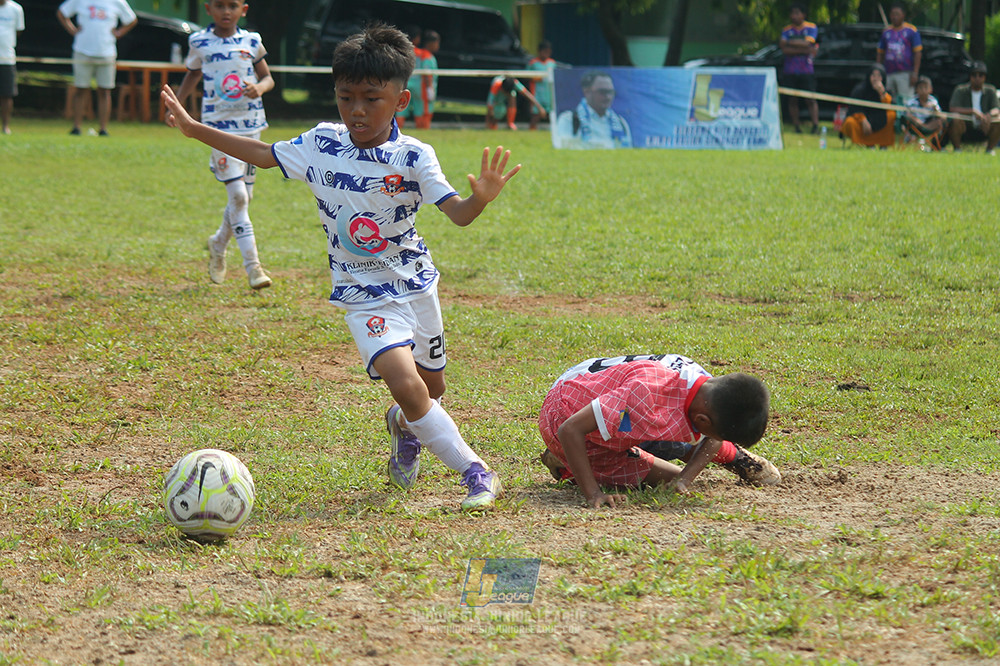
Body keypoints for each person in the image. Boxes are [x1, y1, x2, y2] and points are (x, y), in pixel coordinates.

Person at [161, 24, 521, 510]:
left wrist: (478, 201)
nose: (356, 110)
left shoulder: (415, 155)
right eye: (346, 96)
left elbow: (456, 214)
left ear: (401, 100)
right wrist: (193, 129)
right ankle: (477, 473)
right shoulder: (321, 143)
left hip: (415, 284)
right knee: (409, 384)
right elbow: (264, 156)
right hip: (360, 292)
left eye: (371, 98)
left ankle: (402, 425)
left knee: (431, 389)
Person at [537, 354, 778, 509]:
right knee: (662, 455)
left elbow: (710, 437)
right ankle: (566, 461)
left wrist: (685, 479)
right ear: (703, 419)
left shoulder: (707, 387)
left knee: (673, 476)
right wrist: (593, 493)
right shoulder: (647, 396)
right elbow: (570, 429)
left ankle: (731, 455)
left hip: (611, 405)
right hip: (564, 415)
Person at [169, 0, 274, 290]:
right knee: (239, 197)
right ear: (208, 9)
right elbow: (193, 74)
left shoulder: (252, 41)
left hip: (251, 129)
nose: (226, 12)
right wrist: (176, 107)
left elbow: (267, 78)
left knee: (244, 199)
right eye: (219, 5)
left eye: (232, 6)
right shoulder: (199, 42)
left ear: (244, 9)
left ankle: (218, 243)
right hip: (217, 130)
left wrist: (259, 87)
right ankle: (254, 268)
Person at [57, 0, 137, 136]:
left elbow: (131, 19)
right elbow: (62, 13)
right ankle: (76, 127)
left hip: (106, 51)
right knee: (81, 88)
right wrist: (73, 30)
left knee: (104, 90)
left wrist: (119, 33)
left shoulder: (117, 1)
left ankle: (103, 128)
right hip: (82, 50)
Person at [554, 71, 632, 149]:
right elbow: (564, 150)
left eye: (610, 92)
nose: (608, 97)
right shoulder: (569, 119)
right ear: (587, 92)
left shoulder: (621, 123)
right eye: (602, 92)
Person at [779, 4, 819, 134]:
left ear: (803, 14)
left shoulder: (811, 27)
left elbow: (809, 44)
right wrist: (804, 49)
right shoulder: (786, 29)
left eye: (797, 13)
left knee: (810, 98)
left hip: (806, 69)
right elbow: (784, 49)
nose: (794, 16)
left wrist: (791, 42)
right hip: (790, 70)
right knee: (792, 99)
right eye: (792, 13)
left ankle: (815, 126)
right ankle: (796, 126)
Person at [947, 61, 1000, 154]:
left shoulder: (991, 90)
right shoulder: (960, 90)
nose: (977, 78)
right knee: (955, 119)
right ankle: (957, 149)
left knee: (998, 120)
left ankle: (990, 150)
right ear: (970, 76)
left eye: (980, 75)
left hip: (985, 127)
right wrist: (972, 111)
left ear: (985, 77)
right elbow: (953, 108)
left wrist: (988, 116)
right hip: (966, 127)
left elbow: (997, 109)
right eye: (974, 75)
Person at [840, 63, 896, 148]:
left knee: (891, 115)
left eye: (879, 76)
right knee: (850, 122)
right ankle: (863, 143)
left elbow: (891, 106)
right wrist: (863, 120)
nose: (876, 79)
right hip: (862, 120)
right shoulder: (860, 90)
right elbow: (854, 108)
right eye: (873, 76)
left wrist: (882, 93)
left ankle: (883, 145)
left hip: (879, 119)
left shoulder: (887, 91)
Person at [876, 2, 922, 104]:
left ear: (903, 15)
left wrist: (915, 73)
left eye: (897, 14)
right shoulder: (886, 32)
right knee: (887, 100)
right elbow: (880, 53)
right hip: (888, 73)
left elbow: (918, 53)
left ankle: (906, 120)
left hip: (905, 74)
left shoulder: (911, 31)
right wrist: (878, 71)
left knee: (906, 101)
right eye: (892, 14)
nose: (894, 17)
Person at [395, 25, 427, 130]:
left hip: (405, 83)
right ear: (417, 38)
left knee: (400, 109)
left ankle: (399, 129)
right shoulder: (422, 53)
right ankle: (421, 129)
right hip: (418, 84)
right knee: (419, 107)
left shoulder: (401, 52)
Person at [0, 0, 24, 135]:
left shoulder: (16, 9)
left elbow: (18, 31)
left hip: (7, 58)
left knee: (7, 95)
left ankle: (5, 126)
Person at [902, 75, 942, 145]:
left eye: (925, 87)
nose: (923, 90)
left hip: (929, 124)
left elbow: (939, 115)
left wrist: (934, 108)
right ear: (916, 89)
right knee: (908, 118)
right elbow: (906, 114)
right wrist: (918, 122)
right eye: (920, 87)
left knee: (940, 121)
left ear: (931, 89)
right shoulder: (912, 101)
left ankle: (934, 143)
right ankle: (914, 138)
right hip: (916, 125)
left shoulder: (933, 101)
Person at [527, 40, 556, 131]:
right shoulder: (533, 63)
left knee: (551, 115)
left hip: (549, 94)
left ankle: (552, 133)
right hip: (537, 94)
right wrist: (538, 78)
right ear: (539, 51)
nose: (546, 54)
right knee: (536, 115)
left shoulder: (552, 63)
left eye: (548, 52)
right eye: (544, 51)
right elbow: (527, 76)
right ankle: (532, 131)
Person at [414, 30, 439, 129]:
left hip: (420, 86)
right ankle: (423, 128)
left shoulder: (424, 55)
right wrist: (429, 88)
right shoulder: (427, 56)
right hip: (423, 87)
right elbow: (427, 73)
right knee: (425, 110)